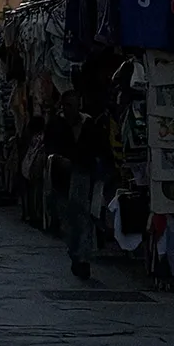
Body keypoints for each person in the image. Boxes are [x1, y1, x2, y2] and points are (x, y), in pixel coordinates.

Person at [44, 87, 107, 281]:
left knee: (83, 216)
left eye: (75, 105)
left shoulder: (88, 124)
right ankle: (75, 252)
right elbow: (48, 148)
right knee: (68, 219)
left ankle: (83, 257)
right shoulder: (56, 125)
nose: (72, 109)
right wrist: (58, 159)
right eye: (69, 105)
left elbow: (99, 148)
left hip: (81, 174)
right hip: (61, 178)